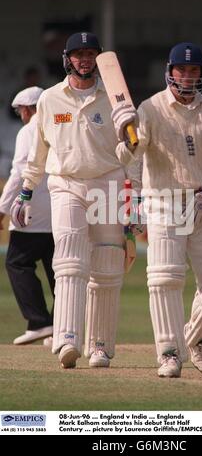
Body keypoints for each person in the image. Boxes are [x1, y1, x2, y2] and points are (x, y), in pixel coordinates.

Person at [10, 32, 141, 369]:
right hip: (66, 182)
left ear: (98, 59)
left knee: (107, 268)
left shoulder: (116, 98)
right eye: (78, 54)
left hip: (107, 181)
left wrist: (136, 188)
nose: (85, 59)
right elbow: (38, 152)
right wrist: (26, 191)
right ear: (67, 59)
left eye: (91, 54)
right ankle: (67, 338)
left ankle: (100, 346)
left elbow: (133, 153)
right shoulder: (50, 99)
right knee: (69, 258)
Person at [113, 42, 202, 378]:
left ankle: (195, 337)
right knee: (165, 279)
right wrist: (126, 141)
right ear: (170, 73)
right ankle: (169, 353)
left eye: (194, 71)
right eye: (181, 70)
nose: (187, 76)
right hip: (163, 204)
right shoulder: (151, 108)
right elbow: (130, 158)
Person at [0, 86, 55, 345]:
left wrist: (2, 208)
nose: (20, 115)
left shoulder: (28, 130)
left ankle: (39, 322)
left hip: (31, 212)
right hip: (60, 211)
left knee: (17, 263)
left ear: (29, 109)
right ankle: (63, 325)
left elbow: (19, 172)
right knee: (60, 272)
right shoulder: (57, 124)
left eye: (21, 110)